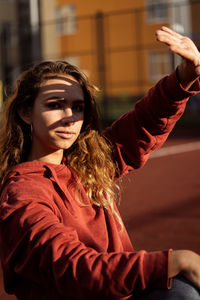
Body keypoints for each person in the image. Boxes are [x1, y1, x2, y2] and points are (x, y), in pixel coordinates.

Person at [0, 26, 199, 300]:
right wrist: (171, 262)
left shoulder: (84, 164)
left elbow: (142, 124)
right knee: (180, 292)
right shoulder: (22, 194)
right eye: (55, 104)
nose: (69, 117)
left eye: (77, 107)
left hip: (114, 291)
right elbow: (72, 266)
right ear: (25, 111)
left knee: (180, 289)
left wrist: (184, 78)